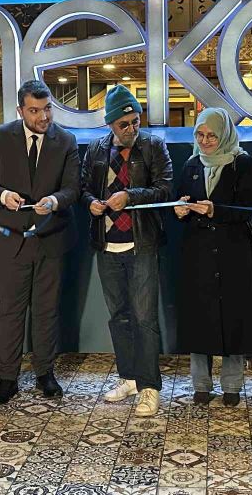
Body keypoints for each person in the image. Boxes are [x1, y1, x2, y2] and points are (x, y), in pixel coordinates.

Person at [0, 80, 80, 404]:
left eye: (47, 109)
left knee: (46, 311)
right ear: (20, 110)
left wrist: (55, 200)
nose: (43, 117)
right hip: (11, 240)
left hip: (51, 239)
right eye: (34, 111)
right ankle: (8, 378)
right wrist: (3, 195)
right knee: (10, 311)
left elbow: (73, 188)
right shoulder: (0, 136)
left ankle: (44, 373)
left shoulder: (66, 140)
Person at [80, 84, 172, 417]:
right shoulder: (96, 149)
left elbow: (165, 188)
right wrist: (91, 203)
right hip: (107, 245)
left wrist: (130, 197)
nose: (132, 128)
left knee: (145, 318)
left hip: (141, 243)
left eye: (136, 121)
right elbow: (83, 188)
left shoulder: (153, 146)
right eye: (124, 124)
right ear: (110, 124)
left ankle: (149, 387)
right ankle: (129, 378)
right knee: (118, 316)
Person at [174, 107, 252, 407]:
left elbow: (247, 207)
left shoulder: (242, 163)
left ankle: (232, 386)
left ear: (224, 134)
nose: (205, 141)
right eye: (200, 134)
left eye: (212, 135)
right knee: (199, 317)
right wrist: (180, 209)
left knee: (234, 318)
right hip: (198, 253)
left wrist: (216, 210)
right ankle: (200, 384)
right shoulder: (191, 163)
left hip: (233, 252)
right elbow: (181, 199)